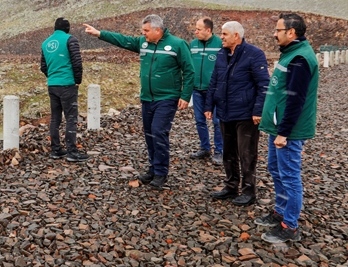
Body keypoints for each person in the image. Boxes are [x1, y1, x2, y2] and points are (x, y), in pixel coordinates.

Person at [83, 14, 194, 188]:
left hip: (167, 97)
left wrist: (185, 95)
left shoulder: (178, 45)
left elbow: (189, 71)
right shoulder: (143, 43)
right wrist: (99, 33)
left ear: (158, 30)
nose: (143, 34)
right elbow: (123, 40)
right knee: (149, 133)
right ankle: (153, 168)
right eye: (143, 30)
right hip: (147, 97)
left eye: (146, 30)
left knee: (159, 132)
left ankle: (161, 172)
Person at [257, 13, 319, 243]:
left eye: (278, 30)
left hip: (287, 130)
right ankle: (280, 211)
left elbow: (296, 99)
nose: (274, 33)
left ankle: (290, 226)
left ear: (291, 32)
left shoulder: (300, 59)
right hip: (278, 126)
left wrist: (284, 132)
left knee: (290, 176)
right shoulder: (291, 53)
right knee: (276, 169)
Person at [205, 21, 270, 206]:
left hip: (246, 115)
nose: (221, 37)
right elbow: (214, 81)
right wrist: (208, 106)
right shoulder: (221, 54)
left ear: (236, 36)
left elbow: (263, 84)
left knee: (246, 153)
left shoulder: (254, 54)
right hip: (225, 112)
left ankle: (249, 191)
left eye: (225, 34)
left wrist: (258, 110)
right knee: (229, 152)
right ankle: (231, 186)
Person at [40, 17, 89, 162]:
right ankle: (72, 152)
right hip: (67, 84)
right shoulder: (70, 40)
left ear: (55, 28)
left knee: (55, 118)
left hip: (52, 85)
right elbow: (77, 62)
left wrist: (53, 77)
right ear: (67, 28)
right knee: (71, 118)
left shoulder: (45, 43)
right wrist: (77, 81)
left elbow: (43, 66)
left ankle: (56, 150)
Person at [189, 17, 224, 164]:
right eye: (195, 28)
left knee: (217, 121)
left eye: (199, 29)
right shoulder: (192, 45)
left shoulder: (220, 44)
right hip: (197, 90)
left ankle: (219, 151)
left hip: (215, 91)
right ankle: (205, 148)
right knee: (199, 120)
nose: (195, 31)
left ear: (208, 30)